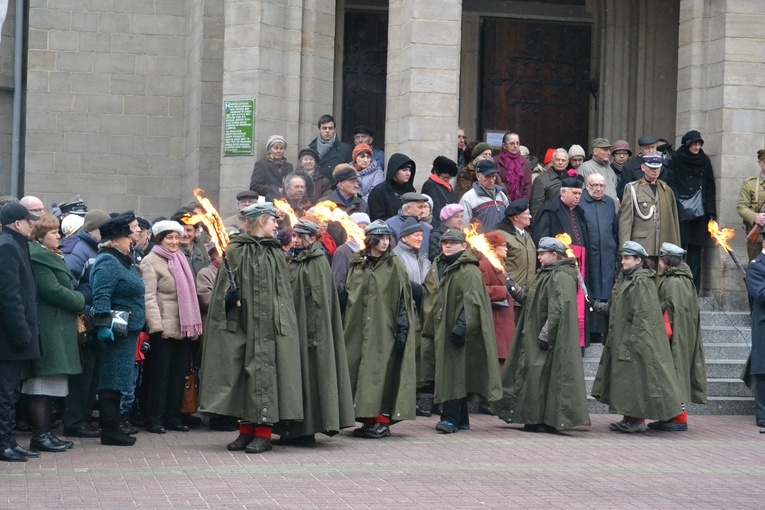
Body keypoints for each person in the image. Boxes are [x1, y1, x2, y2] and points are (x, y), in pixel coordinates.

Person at [199, 202, 303, 454]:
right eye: (272, 220)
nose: (277, 225)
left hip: (270, 326)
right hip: (242, 324)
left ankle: (264, 433)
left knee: (265, 375)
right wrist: (227, 296)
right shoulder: (235, 251)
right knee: (242, 376)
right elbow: (223, 288)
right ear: (259, 222)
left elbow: (283, 293)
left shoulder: (275, 253)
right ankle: (245, 431)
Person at [495, 237, 590, 433]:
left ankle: (545, 420)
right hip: (537, 331)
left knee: (544, 376)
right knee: (536, 376)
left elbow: (558, 308)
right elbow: (532, 299)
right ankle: (534, 417)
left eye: (542, 253)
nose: (538, 257)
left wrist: (546, 334)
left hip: (551, 337)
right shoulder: (546, 274)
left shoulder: (561, 276)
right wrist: (515, 290)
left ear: (554, 255)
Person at [276, 220, 355, 444]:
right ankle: (289, 429)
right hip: (291, 330)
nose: (297, 240)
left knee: (311, 377)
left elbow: (320, 303)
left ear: (312, 239)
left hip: (311, 334)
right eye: (295, 236)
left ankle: (306, 430)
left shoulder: (317, 263)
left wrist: (313, 334)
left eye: (302, 236)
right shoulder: (289, 260)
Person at [591, 241, 683, 433]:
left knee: (636, 378)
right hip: (621, 338)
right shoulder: (625, 279)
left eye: (627, 258)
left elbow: (643, 315)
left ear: (639, 260)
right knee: (626, 379)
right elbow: (619, 307)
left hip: (635, 340)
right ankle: (629, 417)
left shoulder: (642, 282)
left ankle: (637, 419)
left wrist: (631, 341)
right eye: (622, 257)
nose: (623, 262)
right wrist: (600, 307)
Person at [343, 220, 416, 438]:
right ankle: (366, 418)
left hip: (385, 328)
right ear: (371, 240)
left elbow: (403, 298)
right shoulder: (357, 263)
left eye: (387, 238)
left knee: (382, 373)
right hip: (358, 327)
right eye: (380, 238)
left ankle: (382, 420)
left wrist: (402, 328)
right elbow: (350, 294)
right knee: (360, 371)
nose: (384, 243)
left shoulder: (395, 265)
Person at [22, 214, 85, 453]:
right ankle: (40, 435)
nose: (58, 236)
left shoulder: (50, 255)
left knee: (49, 385)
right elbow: (52, 290)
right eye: (53, 233)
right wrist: (80, 300)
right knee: (41, 384)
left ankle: (45, 433)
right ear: (40, 236)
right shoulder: (40, 258)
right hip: (48, 328)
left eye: (58, 231)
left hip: (55, 326)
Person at [431, 229, 502, 433]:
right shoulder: (443, 266)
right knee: (453, 371)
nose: (448, 245)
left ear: (464, 246)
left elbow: (472, 301)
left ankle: (450, 418)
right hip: (444, 325)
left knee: (454, 372)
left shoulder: (468, 270)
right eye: (445, 242)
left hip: (459, 330)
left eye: (453, 242)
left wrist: (462, 326)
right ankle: (461, 418)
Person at [140, 220, 203, 434]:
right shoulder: (150, 261)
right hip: (164, 328)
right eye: (170, 237)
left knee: (178, 375)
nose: (175, 241)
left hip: (184, 327)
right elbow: (148, 297)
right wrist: (156, 327)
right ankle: (155, 419)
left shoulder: (181, 259)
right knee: (160, 376)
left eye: (177, 237)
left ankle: (173, 416)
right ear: (159, 239)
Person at [90, 214, 147, 446]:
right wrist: (103, 325)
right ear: (114, 240)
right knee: (112, 380)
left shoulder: (123, 259)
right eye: (127, 237)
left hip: (128, 329)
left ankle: (113, 427)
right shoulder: (108, 261)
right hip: (116, 330)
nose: (131, 240)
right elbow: (101, 294)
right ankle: (109, 430)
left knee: (120, 380)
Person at [62, 208, 110, 439]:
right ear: (95, 229)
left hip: (93, 321)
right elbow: (68, 283)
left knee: (91, 375)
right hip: (84, 321)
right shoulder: (80, 250)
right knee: (83, 376)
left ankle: (84, 419)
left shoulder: (94, 249)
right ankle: (75, 422)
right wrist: (85, 307)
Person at [0, 203, 43, 462]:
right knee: (5, 393)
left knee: (11, 392)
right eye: (29, 221)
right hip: (8, 338)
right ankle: (4, 443)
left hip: (13, 336)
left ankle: (9, 441)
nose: (32, 224)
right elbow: (9, 297)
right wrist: (21, 333)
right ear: (18, 223)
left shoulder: (15, 244)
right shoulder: (7, 246)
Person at [532, 170, 589, 347]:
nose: (577, 197)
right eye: (574, 193)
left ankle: (578, 342)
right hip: (559, 267)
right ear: (563, 192)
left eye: (580, 193)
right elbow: (541, 239)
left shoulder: (579, 212)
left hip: (580, 266)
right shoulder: (549, 210)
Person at [654, 243, 707, 431]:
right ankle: (673, 415)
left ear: (667, 261)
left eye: (661, 259)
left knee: (673, 374)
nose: (659, 263)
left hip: (674, 337)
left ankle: (678, 417)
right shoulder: (685, 279)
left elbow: (666, 309)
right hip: (683, 335)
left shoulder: (673, 282)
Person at [666, 130, 716, 293]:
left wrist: (711, 214)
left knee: (695, 253)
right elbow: (671, 182)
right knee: (677, 251)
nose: (697, 147)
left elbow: (710, 187)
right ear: (687, 144)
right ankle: (676, 288)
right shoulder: (676, 159)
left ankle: (693, 290)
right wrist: (678, 203)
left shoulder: (704, 161)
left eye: (699, 144)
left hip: (699, 214)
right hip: (680, 212)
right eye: (694, 144)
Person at [619, 153, 681, 262]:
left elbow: (673, 221)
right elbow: (626, 221)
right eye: (651, 167)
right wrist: (625, 248)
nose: (655, 170)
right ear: (643, 167)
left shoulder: (666, 190)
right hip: (641, 246)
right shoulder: (633, 188)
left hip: (663, 246)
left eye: (657, 168)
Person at [578, 173, 618, 343]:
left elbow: (615, 229)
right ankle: (591, 331)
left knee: (606, 290)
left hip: (607, 254)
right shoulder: (580, 203)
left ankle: (603, 329)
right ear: (587, 186)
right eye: (594, 185)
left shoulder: (609, 203)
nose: (598, 189)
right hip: (589, 255)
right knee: (591, 290)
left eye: (601, 185)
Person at [479, 232, 519, 370]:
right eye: (503, 245)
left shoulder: (500, 264)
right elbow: (480, 290)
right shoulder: (484, 265)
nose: (506, 249)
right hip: (496, 321)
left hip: (504, 319)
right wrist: (502, 290)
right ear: (493, 248)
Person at [493, 199, 535, 323]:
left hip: (526, 295)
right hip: (511, 295)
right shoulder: (500, 236)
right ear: (516, 217)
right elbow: (496, 263)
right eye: (527, 214)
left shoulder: (526, 235)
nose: (530, 216)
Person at [745, 234, 765, 428]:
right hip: (763, 325)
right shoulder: (756, 266)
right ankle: (763, 416)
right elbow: (761, 295)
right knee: (763, 372)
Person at [459, 160, 509, 233]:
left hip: (503, 241)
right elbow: (464, 226)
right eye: (487, 176)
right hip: (482, 242)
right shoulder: (468, 197)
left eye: (493, 176)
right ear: (478, 176)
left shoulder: (501, 194)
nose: (491, 180)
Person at [616, 135, 669, 200]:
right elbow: (625, 193)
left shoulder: (664, 164)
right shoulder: (629, 167)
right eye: (647, 148)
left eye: (653, 147)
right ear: (641, 149)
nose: (651, 151)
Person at [367, 153, 417, 222]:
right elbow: (378, 220)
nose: (408, 173)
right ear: (394, 171)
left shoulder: (410, 192)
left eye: (409, 170)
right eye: (404, 170)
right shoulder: (378, 192)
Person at [737, 149, 765, 262]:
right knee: (756, 266)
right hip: (758, 235)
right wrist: (755, 217)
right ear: (759, 162)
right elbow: (741, 206)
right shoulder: (750, 183)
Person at [331, 212, 369, 296]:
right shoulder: (342, 251)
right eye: (359, 227)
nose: (361, 231)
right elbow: (338, 282)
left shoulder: (370, 249)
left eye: (365, 227)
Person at [308, 114, 353, 181]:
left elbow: (350, 174)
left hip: (334, 188)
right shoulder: (310, 149)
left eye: (330, 128)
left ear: (334, 130)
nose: (327, 131)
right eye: (324, 128)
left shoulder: (345, 150)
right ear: (319, 129)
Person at [421, 156, 459, 229]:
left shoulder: (447, 185)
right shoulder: (429, 185)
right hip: (439, 227)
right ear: (436, 172)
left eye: (449, 178)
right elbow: (436, 210)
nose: (447, 180)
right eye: (445, 177)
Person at [529, 148, 569, 217]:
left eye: (563, 160)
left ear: (567, 163)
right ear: (552, 161)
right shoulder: (541, 180)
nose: (560, 162)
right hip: (549, 222)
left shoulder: (571, 179)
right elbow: (535, 208)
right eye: (557, 160)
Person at [578, 138, 619, 205]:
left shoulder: (609, 168)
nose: (609, 153)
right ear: (595, 152)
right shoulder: (585, 168)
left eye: (609, 150)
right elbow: (580, 194)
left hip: (611, 211)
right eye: (605, 150)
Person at [494, 132, 533, 201]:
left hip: (519, 205)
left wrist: (522, 203)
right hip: (500, 203)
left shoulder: (525, 163)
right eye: (512, 143)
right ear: (504, 145)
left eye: (517, 143)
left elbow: (527, 186)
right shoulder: (495, 161)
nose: (515, 146)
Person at [172, 209, 210, 277]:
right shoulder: (168, 251)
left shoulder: (201, 248)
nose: (185, 234)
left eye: (189, 230)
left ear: (195, 232)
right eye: (181, 230)